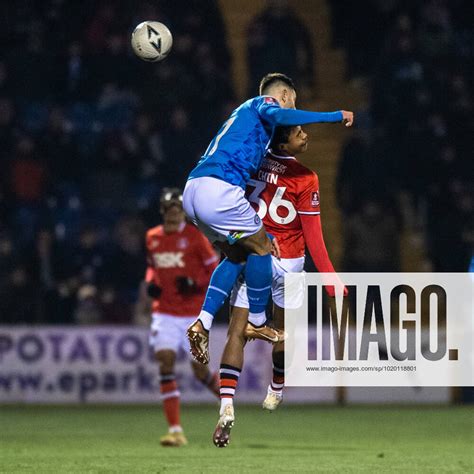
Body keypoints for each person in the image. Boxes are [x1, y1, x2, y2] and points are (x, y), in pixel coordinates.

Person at [183, 72, 353, 366]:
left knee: (236, 255)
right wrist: (334, 115)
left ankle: (203, 322)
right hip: (220, 189)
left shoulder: (243, 118)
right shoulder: (263, 103)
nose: (290, 111)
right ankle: (259, 320)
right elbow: (280, 114)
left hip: (193, 191)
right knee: (264, 246)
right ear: (285, 96)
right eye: (292, 103)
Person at [212, 126, 346, 447]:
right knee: (284, 331)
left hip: (255, 253)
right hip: (289, 261)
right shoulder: (306, 177)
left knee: (236, 331)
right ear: (285, 141)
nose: (305, 136)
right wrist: (330, 277)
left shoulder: (252, 163)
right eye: (299, 133)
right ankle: (277, 386)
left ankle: (226, 404)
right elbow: (314, 238)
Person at [144, 188, 220, 447]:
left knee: (199, 370)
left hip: (193, 313)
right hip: (164, 312)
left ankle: (228, 403)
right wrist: (151, 282)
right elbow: (152, 267)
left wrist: (195, 283)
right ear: (163, 211)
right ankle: (175, 430)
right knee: (165, 362)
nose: (173, 213)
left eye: (177, 209)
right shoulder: (152, 237)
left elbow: (214, 270)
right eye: (169, 209)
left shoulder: (196, 237)